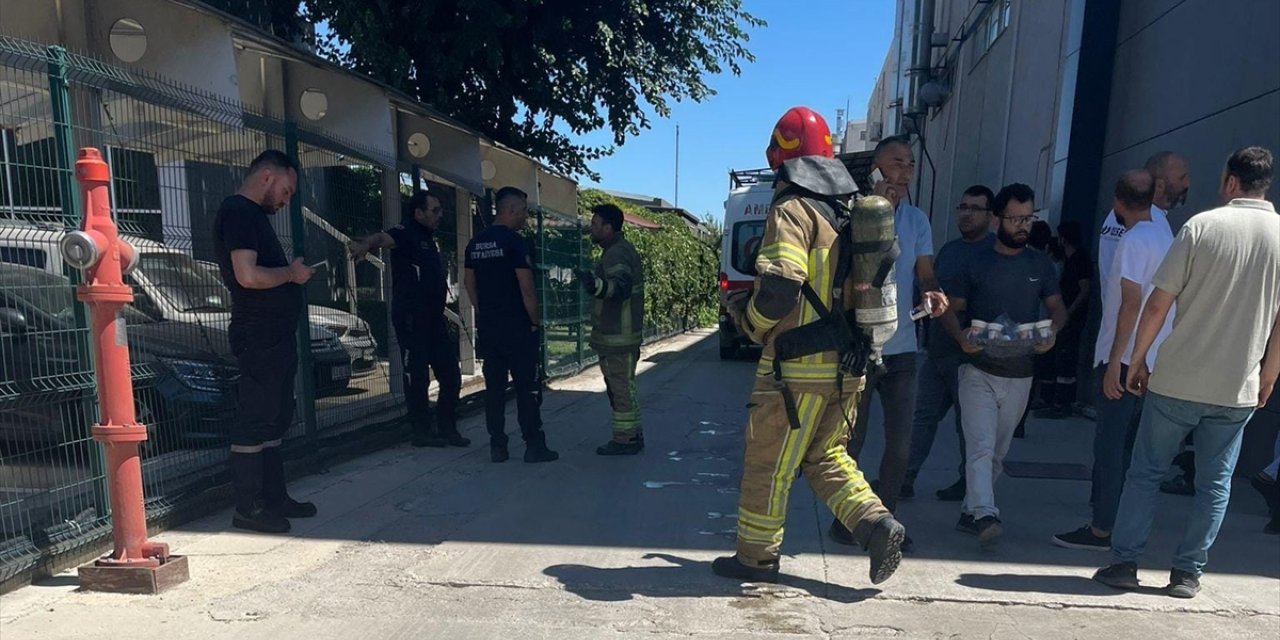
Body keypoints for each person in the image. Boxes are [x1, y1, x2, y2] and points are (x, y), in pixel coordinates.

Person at [715, 106, 905, 586]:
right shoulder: (853, 208)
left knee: (769, 464)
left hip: (796, 368)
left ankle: (755, 559)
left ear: (781, 157)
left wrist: (752, 324)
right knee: (826, 457)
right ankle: (876, 524)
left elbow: (781, 286)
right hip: (849, 365)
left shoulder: (793, 208)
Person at [1094, 147, 1280, 599]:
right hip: (1237, 385)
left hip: (1177, 378)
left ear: (1231, 182)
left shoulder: (1201, 227)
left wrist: (1136, 360)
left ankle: (1124, 563)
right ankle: (1187, 573)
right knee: (1214, 483)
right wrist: (1269, 375)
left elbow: (1158, 302)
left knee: (1145, 472)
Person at [830, 136, 949, 552]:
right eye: (897, 163)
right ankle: (849, 519)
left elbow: (926, 273)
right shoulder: (852, 214)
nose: (906, 172)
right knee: (852, 441)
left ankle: (888, 525)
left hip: (902, 351)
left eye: (911, 165)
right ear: (877, 168)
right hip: (860, 347)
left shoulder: (916, 221)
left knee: (900, 446)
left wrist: (932, 294)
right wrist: (874, 209)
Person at [940, 183, 1068, 548]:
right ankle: (985, 514)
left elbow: (1057, 307)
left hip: (1020, 374)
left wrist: (1053, 331)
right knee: (979, 446)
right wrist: (959, 335)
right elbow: (951, 307)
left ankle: (971, 510)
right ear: (997, 220)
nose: (1022, 225)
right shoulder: (976, 262)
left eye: (1028, 218)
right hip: (976, 370)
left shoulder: (1040, 265)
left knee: (998, 453)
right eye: (1015, 218)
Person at [1053, 170, 1173, 551]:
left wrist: (1116, 361)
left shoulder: (1134, 240)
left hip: (1127, 359)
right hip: (1157, 355)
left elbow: (1131, 304)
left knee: (1109, 445)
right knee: (1134, 450)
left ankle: (1103, 527)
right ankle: (1125, 522)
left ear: (1116, 204)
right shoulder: (1165, 233)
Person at [213, 150, 315, 534]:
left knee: (274, 418)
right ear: (268, 176)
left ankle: (274, 498)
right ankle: (248, 507)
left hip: (273, 334)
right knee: (256, 419)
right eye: (286, 192)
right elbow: (248, 276)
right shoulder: (239, 212)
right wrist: (290, 274)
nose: (286, 201)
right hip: (258, 334)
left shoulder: (251, 215)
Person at [348, 190, 468, 449]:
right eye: (434, 210)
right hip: (412, 319)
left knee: (450, 374)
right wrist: (366, 244)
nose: (439, 215)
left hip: (434, 319)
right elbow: (383, 238)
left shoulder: (429, 239)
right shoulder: (406, 232)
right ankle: (421, 431)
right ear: (419, 213)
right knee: (417, 376)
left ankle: (448, 428)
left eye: (440, 210)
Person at [903, 185, 996, 504]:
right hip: (938, 352)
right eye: (963, 206)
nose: (966, 214)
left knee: (968, 427)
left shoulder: (996, 254)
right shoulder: (949, 250)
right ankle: (905, 477)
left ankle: (968, 484)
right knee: (922, 418)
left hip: (972, 358)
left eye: (975, 208)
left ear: (991, 216)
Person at [463, 187, 558, 464]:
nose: (526, 217)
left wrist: (483, 311)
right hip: (517, 327)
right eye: (524, 211)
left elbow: (469, 283)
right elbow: (526, 288)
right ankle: (534, 445)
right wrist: (534, 322)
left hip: (491, 327)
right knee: (527, 388)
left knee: (493, 389)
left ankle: (498, 446)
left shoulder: (475, 243)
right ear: (512, 210)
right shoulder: (515, 243)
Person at [577, 203, 647, 456]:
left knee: (619, 389)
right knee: (624, 387)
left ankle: (625, 439)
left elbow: (619, 288)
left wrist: (593, 285)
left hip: (618, 337)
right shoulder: (618, 250)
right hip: (620, 337)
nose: (591, 228)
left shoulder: (615, 254)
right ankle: (633, 434)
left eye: (595, 224)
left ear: (609, 228)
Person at [1097, 151, 1188, 285]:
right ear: (1159, 186)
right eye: (1182, 178)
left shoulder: (1117, 214)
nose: (1187, 184)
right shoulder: (1152, 222)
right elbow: (1133, 295)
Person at [1035, 221, 1091, 418]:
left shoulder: (1080, 260)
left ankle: (1063, 403)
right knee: (1054, 356)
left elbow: (1085, 288)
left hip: (1072, 318)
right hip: (1061, 316)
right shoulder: (1065, 260)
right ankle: (1049, 399)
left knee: (1066, 359)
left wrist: (1070, 310)